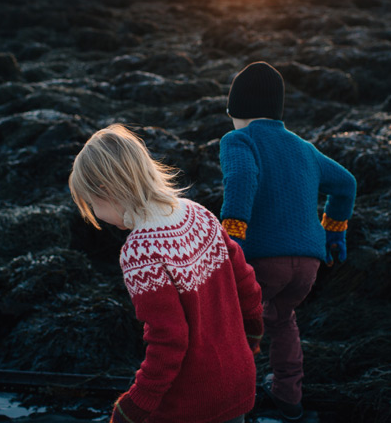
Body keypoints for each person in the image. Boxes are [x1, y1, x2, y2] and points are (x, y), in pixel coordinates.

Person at [69, 124, 264, 423]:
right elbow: (247, 285)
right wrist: (249, 338)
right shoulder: (199, 214)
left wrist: (134, 406)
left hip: (191, 402)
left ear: (107, 191)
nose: (96, 215)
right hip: (238, 382)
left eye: (93, 205)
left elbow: (169, 340)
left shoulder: (140, 251)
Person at [219, 62, 357, 422]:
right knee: (282, 320)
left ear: (236, 111)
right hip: (309, 263)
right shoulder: (305, 148)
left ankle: (238, 400)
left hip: (262, 259)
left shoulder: (238, 139)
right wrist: (334, 232)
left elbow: (242, 177)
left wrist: (231, 235)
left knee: (240, 325)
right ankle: (288, 397)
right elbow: (346, 184)